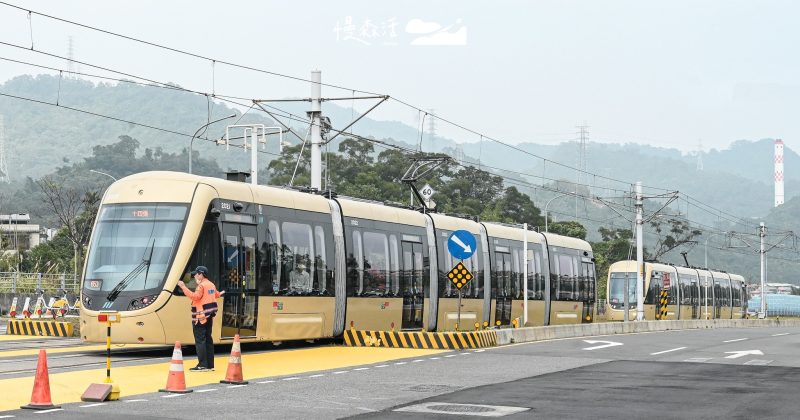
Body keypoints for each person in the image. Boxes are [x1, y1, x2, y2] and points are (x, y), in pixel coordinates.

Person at [177, 265, 221, 371]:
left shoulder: (201, 286)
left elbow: (195, 297)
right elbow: (217, 294)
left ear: (201, 274)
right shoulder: (211, 284)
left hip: (200, 317)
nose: (195, 276)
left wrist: (183, 286)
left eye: (196, 274)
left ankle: (202, 365)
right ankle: (210, 365)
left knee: (200, 340)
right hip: (209, 315)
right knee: (208, 340)